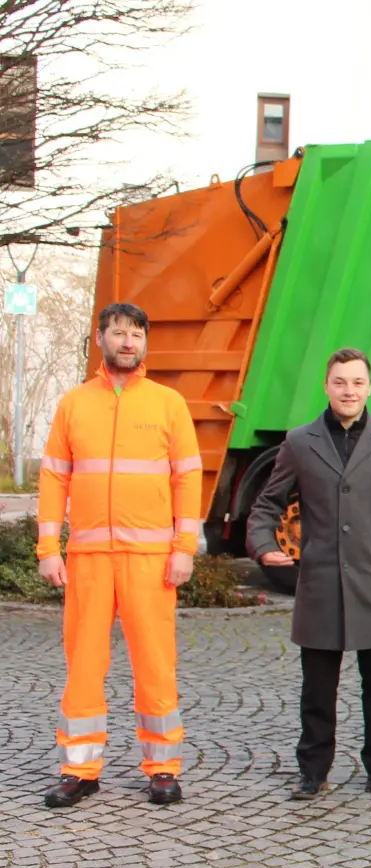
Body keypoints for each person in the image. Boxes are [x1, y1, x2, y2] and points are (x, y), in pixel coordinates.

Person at [36, 302, 202, 808]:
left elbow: (187, 477)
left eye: (136, 334)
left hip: (151, 562)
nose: (128, 341)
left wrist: (184, 549)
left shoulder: (169, 403)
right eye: (118, 333)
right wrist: (48, 549)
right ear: (100, 338)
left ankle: (163, 768)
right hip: (88, 559)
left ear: (145, 341)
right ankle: (79, 770)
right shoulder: (73, 404)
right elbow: (53, 478)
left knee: (155, 663)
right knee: (83, 664)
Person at [247, 348, 371, 802]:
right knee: (317, 690)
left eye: (357, 382)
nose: (349, 390)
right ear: (326, 386)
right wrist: (265, 546)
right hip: (321, 585)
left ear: (370, 387)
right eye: (340, 382)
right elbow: (267, 504)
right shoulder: (300, 442)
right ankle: (312, 770)